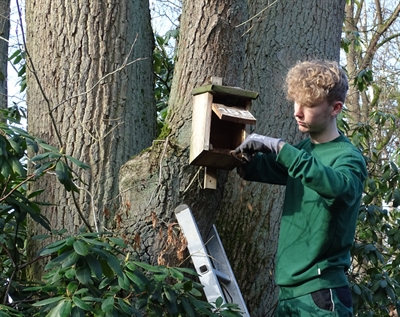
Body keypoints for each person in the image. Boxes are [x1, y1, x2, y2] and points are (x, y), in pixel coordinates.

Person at [233, 60, 367, 316]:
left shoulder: (347, 157)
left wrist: (281, 148)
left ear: (335, 108)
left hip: (322, 294)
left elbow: (338, 189)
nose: (298, 112)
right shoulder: (305, 151)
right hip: (289, 294)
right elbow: (265, 168)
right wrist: (238, 155)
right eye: (296, 102)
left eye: (309, 105)